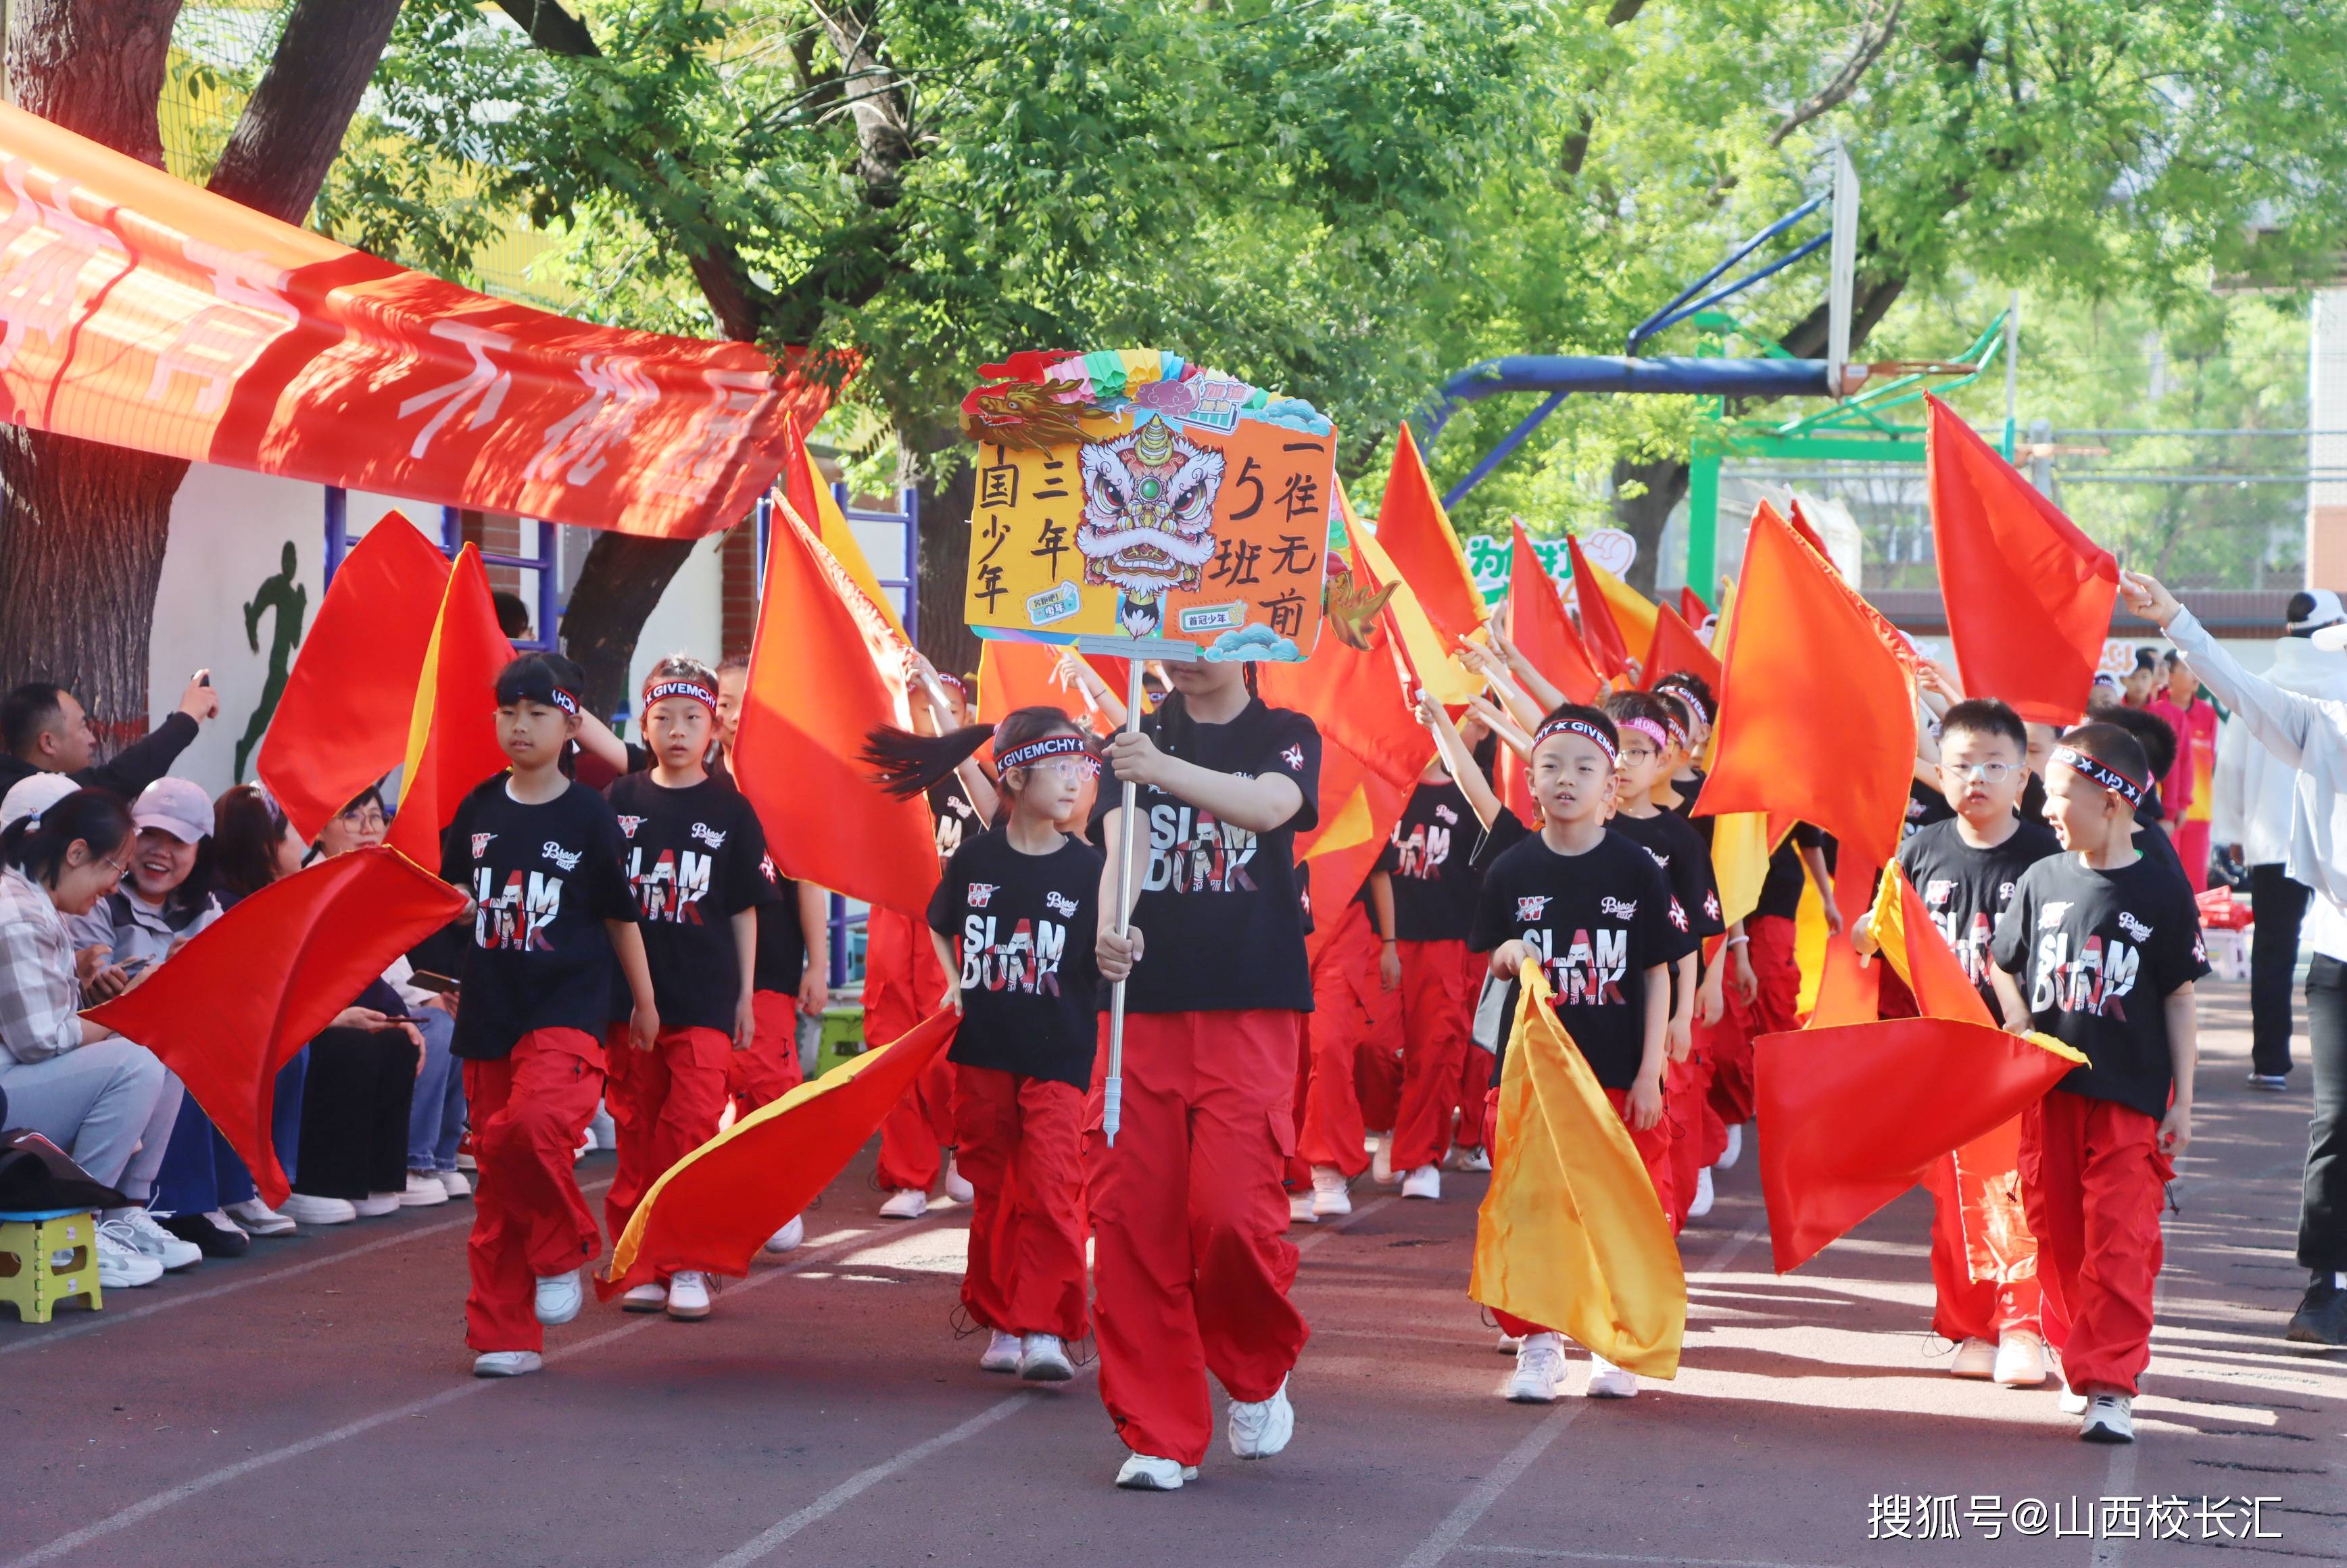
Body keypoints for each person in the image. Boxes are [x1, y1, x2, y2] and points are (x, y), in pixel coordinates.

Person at [1088, 657, 1320, 1491]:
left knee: (1229, 1215)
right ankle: (1157, 1432)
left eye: (1206, 628)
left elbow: (1268, 806)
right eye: (1176, 629)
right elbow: (1126, 848)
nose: (1185, 651)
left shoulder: (1284, 734)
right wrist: (1114, 927)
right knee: (1132, 1222)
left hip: (1249, 1006)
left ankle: (1257, 1370)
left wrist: (1159, 767)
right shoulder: (1134, 733)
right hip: (1141, 1012)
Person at [2121, 568, 2347, 1348]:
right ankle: (2327, 1282)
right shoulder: (2320, 721)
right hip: (2343, 950)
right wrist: (2176, 619)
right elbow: (2241, 686)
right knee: (2339, 1116)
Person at [867, 705, 1104, 1381]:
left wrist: (1122, 951)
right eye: (1059, 768)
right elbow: (941, 922)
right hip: (984, 1052)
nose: (1072, 783)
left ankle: (1046, 1327)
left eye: (1079, 770)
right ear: (1016, 777)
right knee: (994, 1188)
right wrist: (953, 985)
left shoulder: (1089, 870)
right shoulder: (975, 860)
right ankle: (1000, 1314)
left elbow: (1111, 956)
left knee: (1054, 1186)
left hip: (1059, 1055)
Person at [1987, 722, 2204, 1444]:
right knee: (2054, 1233)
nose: (2046, 808)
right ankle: (2078, 1343)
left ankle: (2110, 1382)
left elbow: (2178, 994)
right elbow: (2001, 961)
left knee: (2119, 1236)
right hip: (2047, 1097)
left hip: (2128, 1100)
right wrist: (2016, 1015)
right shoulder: (2041, 878)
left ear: (2111, 798)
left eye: (2058, 793)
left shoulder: (2161, 886)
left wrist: (2184, 1102)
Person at [442, 652, 657, 1378]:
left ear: (571, 723)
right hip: (490, 1013)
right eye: (508, 712)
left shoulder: (591, 815)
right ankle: (503, 1332)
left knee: (533, 1128)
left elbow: (621, 916)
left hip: (569, 1006)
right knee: (497, 1178)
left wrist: (645, 1002)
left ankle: (563, 1246)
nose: (520, 726)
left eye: (537, 713)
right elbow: (444, 902)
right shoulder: (476, 809)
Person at [1470, 705, 1690, 1402]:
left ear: (1611, 787)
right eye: (1551, 766)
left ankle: (1615, 1340)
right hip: (1534, 1078)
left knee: (1621, 1206)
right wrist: (1508, 953)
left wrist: (1651, 1067)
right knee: (1533, 1207)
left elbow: (1657, 971)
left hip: (1618, 1074)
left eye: (1584, 767)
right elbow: (1494, 958)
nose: (1567, 779)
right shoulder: (1510, 869)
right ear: (1530, 780)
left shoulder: (1635, 868)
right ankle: (1538, 1345)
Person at [1856, 698, 2061, 1388]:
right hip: (1941, 1056)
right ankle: (1968, 1325)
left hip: (2016, 1054)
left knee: (2018, 1193)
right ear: (1938, 775)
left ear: (2022, 779)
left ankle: (2024, 1325)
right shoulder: (1919, 851)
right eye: (1962, 765)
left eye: (1994, 764)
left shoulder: (2043, 856)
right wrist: (1864, 931)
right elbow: (1880, 931)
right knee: (1953, 1197)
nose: (1977, 777)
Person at [602, 658, 769, 1322]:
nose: (677, 730)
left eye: (692, 718)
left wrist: (747, 996)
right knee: (637, 1125)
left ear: (713, 728)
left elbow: (744, 907)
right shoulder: (619, 802)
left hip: (705, 993)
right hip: (630, 997)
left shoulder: (731, 809)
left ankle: (688, 1257)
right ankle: (639, 1256)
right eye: (663, 717)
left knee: (695, 1120)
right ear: (644, 726)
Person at [0, 781, 196, 1289]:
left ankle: (122, 1212)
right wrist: (132, 1007)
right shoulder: (17, 912)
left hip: (12, 1082)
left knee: (159, 1046)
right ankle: (78, 1225)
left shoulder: (35, 902)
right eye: (115, 868)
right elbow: (42, 1041)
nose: (115, 886)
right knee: (138, 1059)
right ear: (76, 852)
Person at [67, 777, 247, 1256]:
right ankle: (155, 1207)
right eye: (150, 835)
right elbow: (85, 988)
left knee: (260, 1044)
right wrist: (108, 978)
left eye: (178, 841)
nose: (159, 852)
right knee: (173, 1046)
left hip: (153, 1030)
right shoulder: (97, 893)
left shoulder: (205, 906)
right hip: (108, 1037)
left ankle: (233, 1193)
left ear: (200, 850)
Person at [714, 654, 830, 1255]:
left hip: (774, 969)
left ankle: (773, 1197)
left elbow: (807, 879)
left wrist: (819, 961)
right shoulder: (693, 783)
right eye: (724, 704)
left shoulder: (785, 790)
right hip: (701, 970)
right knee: (707, 1093)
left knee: (769, 1085)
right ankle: (720, 1207)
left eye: (743, 703)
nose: (732, 717)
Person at [2212, 590, 2347, 1089]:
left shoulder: (2263, 687)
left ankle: (2270, 1062)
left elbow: (2231, 769)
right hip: (2340, 843)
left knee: (2274, 950)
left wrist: (2232, 833)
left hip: (2272, 841)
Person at [871, 666, 990, 1219]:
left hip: (960, 927)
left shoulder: (978, 779)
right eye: (917, 705)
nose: (930, 717)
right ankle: (908, 1176)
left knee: (951, 1046)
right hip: (896, 918)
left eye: (943, 707)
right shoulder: (887, 779)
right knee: (892, 1045)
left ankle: (964, 1146)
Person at [1602, 690, 1723, 1227]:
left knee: (1657, 1110)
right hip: (1597, 992)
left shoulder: (1680, 838)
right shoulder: (1585, 826)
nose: (1622, 764)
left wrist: (1681, 1014)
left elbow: (1691, 932)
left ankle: (1658, 1220)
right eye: (1612, 750)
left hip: (1657, 995)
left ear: (1663, 759)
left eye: (1636, 752)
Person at [286, 787, 432, 1227]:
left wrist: (400, 1016)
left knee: (403, 1037)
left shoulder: (365, 880)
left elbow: (375, 969)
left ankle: (378, 1174)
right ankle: (316, 1181)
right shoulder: (296, 888)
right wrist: (329, 1018)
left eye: (376, 816)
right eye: (353, 817)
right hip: (292, 1020)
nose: (369, 829)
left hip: (333, 1009)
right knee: (351, 1046)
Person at [1378, 733, 1491, 1203]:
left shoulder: (1473, 796)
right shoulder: (1384, 785)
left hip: (1446, 942)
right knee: (1371, 1045)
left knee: (1437, 1048)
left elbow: (1492, 875)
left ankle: (1421, 1156)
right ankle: (1388, 1125)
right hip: (1376, 939)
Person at [204, 783, 312, 1234]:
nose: (308, 843)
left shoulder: (278, 899)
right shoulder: (227, 907)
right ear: (263, 845)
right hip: (223, 1031)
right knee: (275, 1046)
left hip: (262, 1023)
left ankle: (265, 1182)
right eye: (293, 833)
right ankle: (245, 1185)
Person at [0, 675, 219, 801]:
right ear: (48, 743)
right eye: (83, 727)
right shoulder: (38, 797)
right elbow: (120, 778)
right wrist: (188, 716)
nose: (93, 739)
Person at [2148, 651, 2219, 890]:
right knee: (2166, 876)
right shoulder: (2157, 711)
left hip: (2199, 810)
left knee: (2195, 882)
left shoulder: (2208, 713)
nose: (2195, 675)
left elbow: (2210, 761)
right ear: (2170, 674)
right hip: (2165, 811)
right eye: (2188, 668)